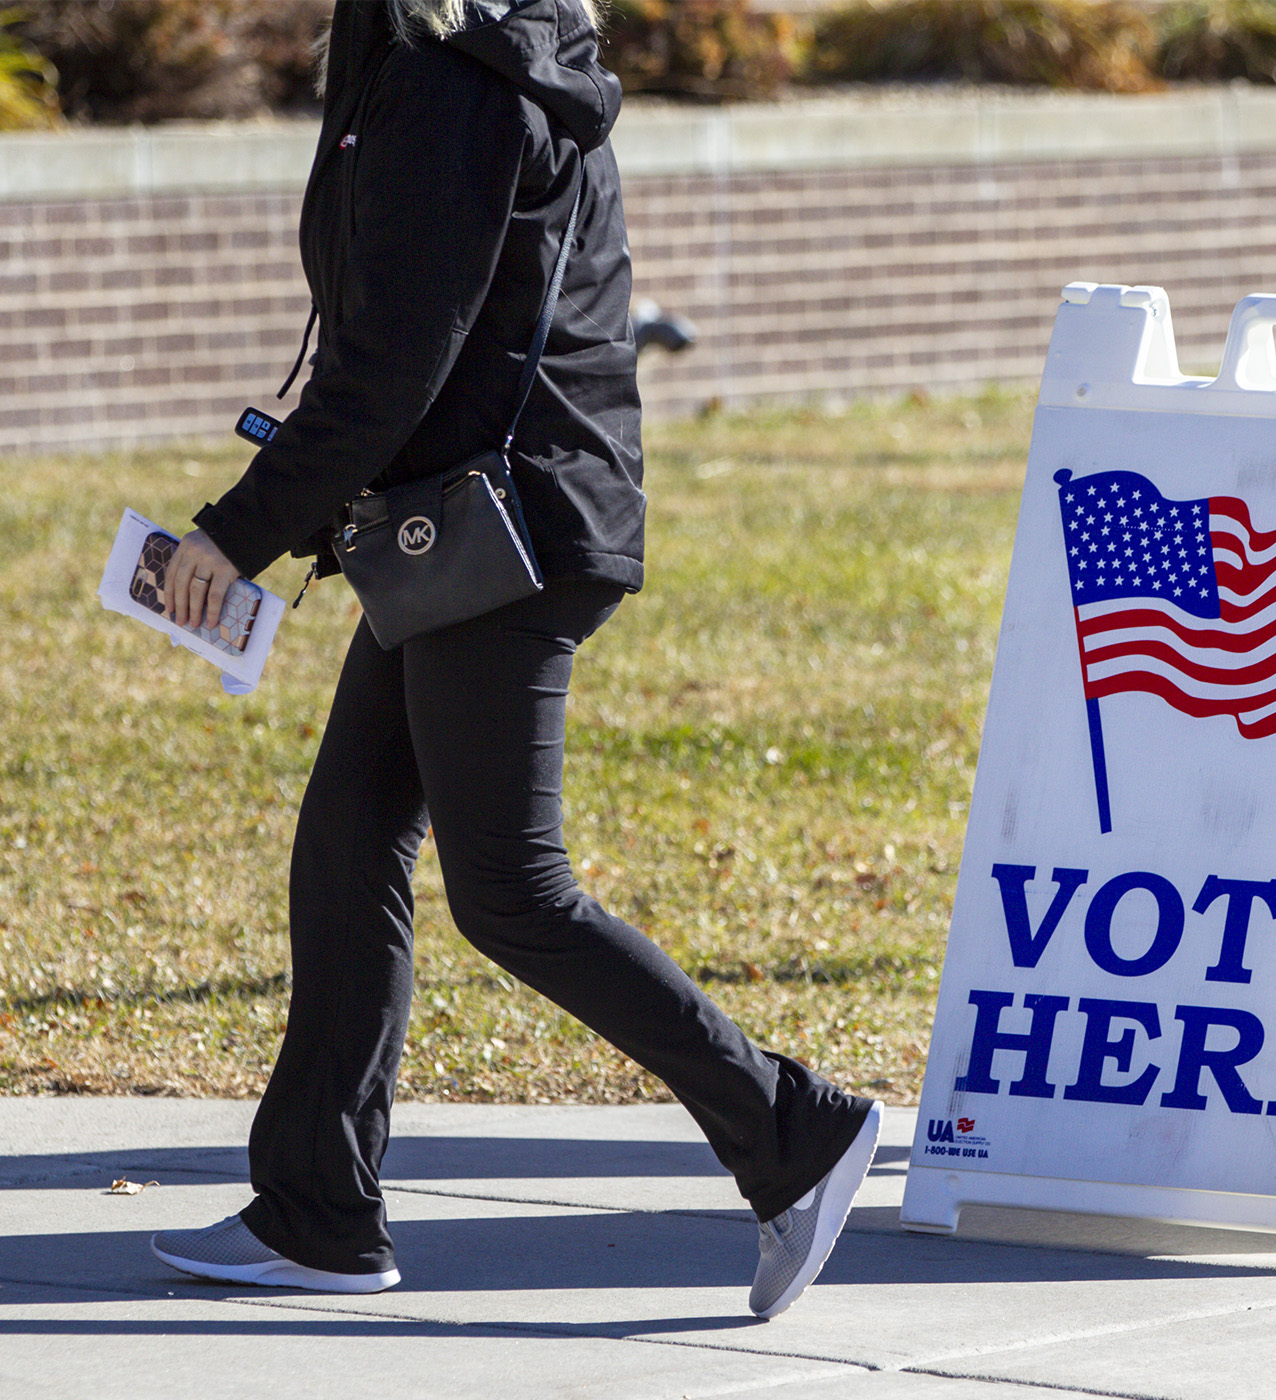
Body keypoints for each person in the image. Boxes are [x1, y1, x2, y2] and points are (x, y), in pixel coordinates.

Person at [148, 0, 879, 1320]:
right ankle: (318, 1212)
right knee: (348, 839)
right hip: (482, 527)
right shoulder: (473, 61)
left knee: (511, 891)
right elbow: (428, 345)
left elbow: (396, 362)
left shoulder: (458, 86)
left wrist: (238, 534)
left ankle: (793, 1131)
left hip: (506, 541)